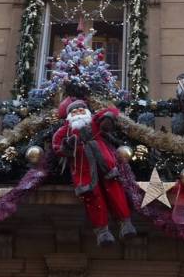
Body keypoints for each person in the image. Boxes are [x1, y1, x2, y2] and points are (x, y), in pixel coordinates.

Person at [52, 98, 136, 246]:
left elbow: (110, 113)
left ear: (86, 111)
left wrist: (108, 118)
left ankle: (126, 223)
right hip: (84, 171)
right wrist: (68, 146)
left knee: (115, 192)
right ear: (69, 115)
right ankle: (102, 232)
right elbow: (58, 146)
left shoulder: (93, 123)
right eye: (74, 111)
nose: (78, 112)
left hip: (106, 165)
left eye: (81, 110)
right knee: (93, 198)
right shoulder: (65, 131)